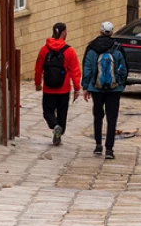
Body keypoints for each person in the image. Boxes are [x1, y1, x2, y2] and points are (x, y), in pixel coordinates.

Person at [81, 21, 129, 160]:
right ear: (111, 33)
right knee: (111, 118)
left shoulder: (91, 47)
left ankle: (97, 145)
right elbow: (124, 68)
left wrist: (86, 87)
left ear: (100, 31)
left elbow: (87, 68)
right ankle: (109, 149)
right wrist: (120, 83)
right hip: (114, 89)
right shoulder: (118, 48)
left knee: (97, 115)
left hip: (96, 88)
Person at [34, 22, 81, 145]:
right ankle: (59, 131)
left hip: (48, 88)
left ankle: (54, 127)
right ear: (63, 33)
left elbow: (38, 68)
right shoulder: (69, 51)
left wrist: (38, 83)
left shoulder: (44, 49)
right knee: (62, 113)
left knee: (48, 112)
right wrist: (77, 88)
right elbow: (75, 71)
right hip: (64, 89)